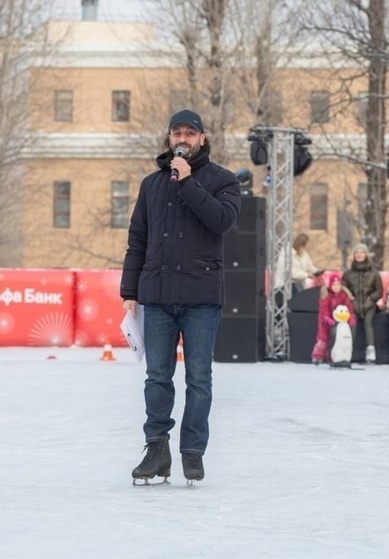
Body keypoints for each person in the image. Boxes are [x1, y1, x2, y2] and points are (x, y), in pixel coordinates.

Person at [120, 109, 241, 484]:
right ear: (168, 138)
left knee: (199, 379)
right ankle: (156, 450)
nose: (183, 139)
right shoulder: (151, 184)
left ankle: (193, 452)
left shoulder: (223, 181)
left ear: (203, 139)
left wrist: (188, 183)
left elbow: (222, 221)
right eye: (177, 132)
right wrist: (129, 292)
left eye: (191, 133)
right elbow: (137, 240)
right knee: (157, 377)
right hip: (156, 296)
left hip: (201, 297)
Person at [342, 243, 383, 363]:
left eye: (362, 252)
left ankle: (370, 350)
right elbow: (343, 288)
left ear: (366, 255)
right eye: (357, 253)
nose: (359, 255)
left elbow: (379, 291)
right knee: (352, 323)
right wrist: (351, 299)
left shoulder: (374, 273)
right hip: (353, 303)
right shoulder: (348, 273)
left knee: (368, 322)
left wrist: (371, 299)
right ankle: (348, 350)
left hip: (369, 303)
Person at [312, 273, 356, 365]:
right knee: (323, 338)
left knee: (336, 339)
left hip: (340, 322)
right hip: (325, 321)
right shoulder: (326, 295)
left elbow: (348, 308)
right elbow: (323, 309)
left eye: (338, 284)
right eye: (334, 285)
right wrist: (327, 318)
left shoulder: (344, 295)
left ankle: (333, 357)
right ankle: (318, 356)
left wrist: (350, 317)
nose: (336, 287)